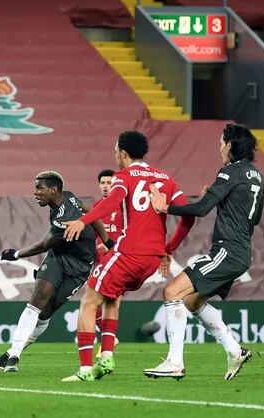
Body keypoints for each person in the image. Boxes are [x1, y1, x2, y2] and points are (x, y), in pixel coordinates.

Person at [60, 130, 195, 381]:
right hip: (152, 258)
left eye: (115, 152)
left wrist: (81, 221)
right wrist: (169, 249)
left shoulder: (124, 177)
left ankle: (85, 370)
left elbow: (112, 202)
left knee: (89, 302)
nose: (115, 157)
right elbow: (188, 215)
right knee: (111, 298)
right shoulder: (165, 179)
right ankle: (107, 355)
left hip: (129, 252)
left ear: (123, 153)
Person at [144, 124, 264, 380]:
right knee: (191, 301)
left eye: (222, 143)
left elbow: (200, 210)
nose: (220, 147)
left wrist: (165, 207)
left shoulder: (230, 172)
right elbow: (254, 218)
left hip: (227, 251)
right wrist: (223, 199)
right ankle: (234, 350)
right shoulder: (257, 176)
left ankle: (174, 362)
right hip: (242, 251)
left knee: (171, 291)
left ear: (230, 146)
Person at [0, 171, 112, 372]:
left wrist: (16, 254)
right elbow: (91, 214)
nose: (35, 193)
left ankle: (12, 353)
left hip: (80, 267)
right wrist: (107, 239)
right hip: (58, 257)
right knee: (36, 302)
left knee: (45, 313)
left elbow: (43, 245)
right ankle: (14, 355)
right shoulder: (68, 196)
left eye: (39, 188)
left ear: (53, 190)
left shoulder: (63, 220)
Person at [93, 168, 122, 357]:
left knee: (111, 301)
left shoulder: (124, 206)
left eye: (109, 182)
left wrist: (113, 247)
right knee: (94, 305)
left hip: (119, 260)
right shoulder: (97, 206)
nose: (105, 186)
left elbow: (130, 233)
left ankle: (107, 346)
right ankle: (109, 340)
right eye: (102, 183)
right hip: (99, 262)